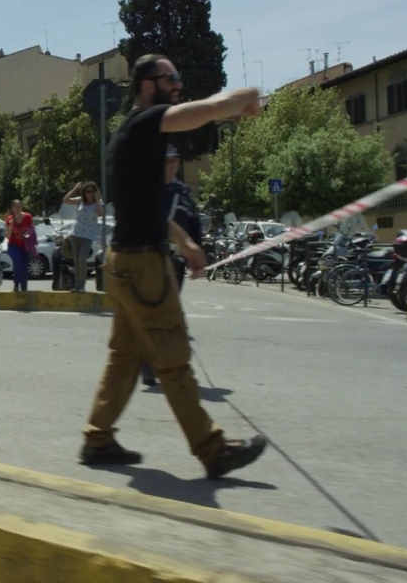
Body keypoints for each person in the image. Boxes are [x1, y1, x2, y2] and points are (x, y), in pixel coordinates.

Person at [80, 53, 267, 480]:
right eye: (172, 78)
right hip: (144, 265)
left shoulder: (128, 134)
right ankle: (212, 449)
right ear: (149, 84)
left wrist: (183, 240)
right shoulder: (148, 123)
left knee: (124, 357)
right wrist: (249, 95)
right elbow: (211, 110)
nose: (178, 84)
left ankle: (97, 438)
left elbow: (142, 206)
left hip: (124, 261)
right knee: (173, 358)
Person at [142, 145, 204, 387]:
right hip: (154, 256)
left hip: (177, 260)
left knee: (168, 312)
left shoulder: (184, 192)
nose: (172, 165)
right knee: (156, 312)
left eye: (175, 161)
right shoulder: (153, 189)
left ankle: (158, 363)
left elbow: (194, 222)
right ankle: (149, 366)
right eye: (167, 161)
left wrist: (196, 253)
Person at [64, 182, 105, 293]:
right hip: (75, 233)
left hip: (88, 235)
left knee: (82, 258)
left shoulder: (98, 203)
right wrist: (74, 189)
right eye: (88, 191)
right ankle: (77, 284)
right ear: (84, 193)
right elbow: (66, 200)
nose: (90, 194)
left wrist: (97, 199)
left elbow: (101, 213)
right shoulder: (81, 201)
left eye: (92, 191)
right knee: (76, 260)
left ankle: (82, 285)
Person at [5, 199, 35, 292]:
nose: (18, 208)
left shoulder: (28, 217)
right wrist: (11, 224)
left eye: (19, 206)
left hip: (25, 246)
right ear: (12, 208)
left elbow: (32, 231)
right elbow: (8, 236)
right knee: (17, 259)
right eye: (15, 207)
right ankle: (16, 284)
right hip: (13, 245)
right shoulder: (9, 219)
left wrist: (27, 235)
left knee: (24, 266)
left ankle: (24, 288)